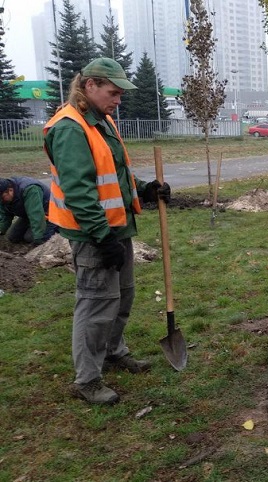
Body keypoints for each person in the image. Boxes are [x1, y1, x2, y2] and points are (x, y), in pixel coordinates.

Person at [43, 58, 171, 405]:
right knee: (96, 304)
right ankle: (87, 379)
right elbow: (80, 191)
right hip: (93, 233)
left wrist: (144, 188)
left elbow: (113, 175)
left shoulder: (102, 121)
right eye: (113, 93)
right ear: (90, 86)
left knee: (122, 296)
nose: (118, 100)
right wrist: (102, 237)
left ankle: (114, 350)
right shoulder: (70, 128)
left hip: (117, 228)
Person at [0, 177, 57, 245]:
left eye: (1, 198)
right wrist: (1, 230)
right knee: (13, 237)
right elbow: (5, 215)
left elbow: (36, 214)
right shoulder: (4, 198)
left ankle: (57, 229)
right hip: (28, 213)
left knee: (30, 237)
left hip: (49, 214)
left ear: (9, 190)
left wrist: (38, 238)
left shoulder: (30, 190)